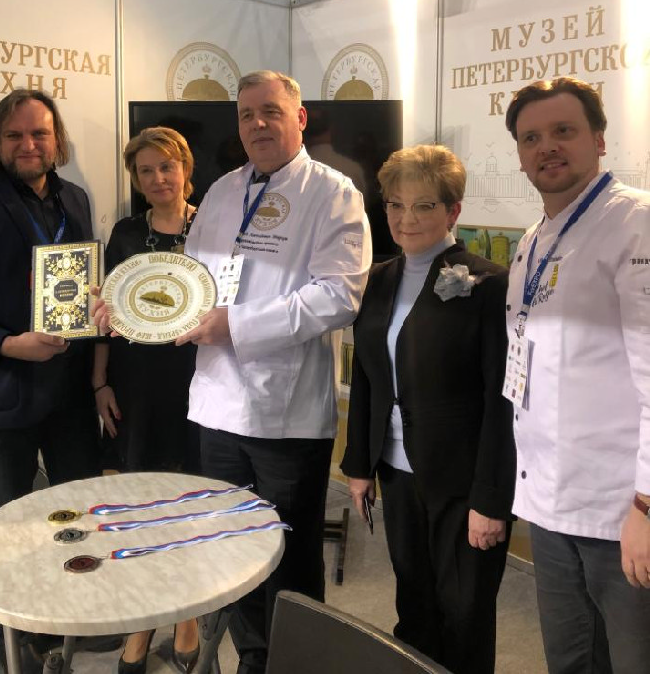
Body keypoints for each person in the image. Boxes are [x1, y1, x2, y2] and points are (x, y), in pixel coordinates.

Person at [177, 70, 371, 674]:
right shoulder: (221, 191)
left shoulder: (333, 193)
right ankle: (253, 659)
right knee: (232, 550)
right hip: (217, 403)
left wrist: (236, 325)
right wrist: (134, 307)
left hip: (284, 415)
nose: (257, 124)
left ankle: (295, 664)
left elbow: (338, 296)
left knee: (288, 555)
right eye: (246, 114)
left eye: (270, 111)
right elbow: (189, 279)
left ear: (300, 117)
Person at [0, 89, 113, 671]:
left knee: (78, 511)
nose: (28, 144)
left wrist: (100, 304)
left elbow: (83, 282)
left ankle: (73, 616)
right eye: (15, 135)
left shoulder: (75, 198)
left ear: (57, 139)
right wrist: (7, 343)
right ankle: (13, 638)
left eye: (40, 133)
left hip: (69, 392)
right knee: (8, 526)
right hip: (5, 390)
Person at [341, 145, 515, 674]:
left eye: (423, 206)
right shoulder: (378, 279)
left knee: (464, 612)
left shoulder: (488, 284)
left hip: (463, 481)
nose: (405, 218)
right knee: (413, 602)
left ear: (452, 210)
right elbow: (367, 376)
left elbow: (502, 402)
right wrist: (358, 465)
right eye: (396, 205)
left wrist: (492, 500)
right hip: (397, 473)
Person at [504, 77, 650, 674]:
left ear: (599, 139)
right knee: (570, 661)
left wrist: (646, 506)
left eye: (563, 130)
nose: (547, 147)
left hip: (622, 511)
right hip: (550, 504)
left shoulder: (635, 223)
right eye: (531, 138)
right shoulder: (533, 241)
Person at [94, 127, 200, 674]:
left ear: (185, 168)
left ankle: (187, 614)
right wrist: (100, 383)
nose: (158, 178)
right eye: (145, 171)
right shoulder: (126, 233)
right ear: (136, 180)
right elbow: (107, 315)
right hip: (136, 382)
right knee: (143, 500)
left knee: (189, 498)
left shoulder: (214, 225)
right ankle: (143, 617)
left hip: (200, 380)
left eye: (166, 166)